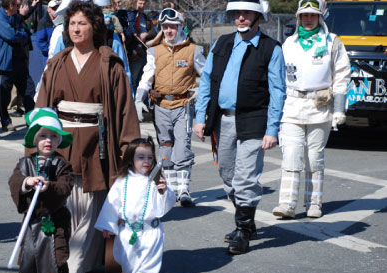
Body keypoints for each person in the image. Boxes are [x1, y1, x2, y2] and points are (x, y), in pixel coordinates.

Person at [36, 0, 140, 273]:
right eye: (72, 23)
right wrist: (37, 147)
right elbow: (44, 108)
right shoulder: (57, 63)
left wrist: (130, 150)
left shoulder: (110, 64)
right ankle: (70, 260)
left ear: (95, 27)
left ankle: (74, 266)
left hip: (97, 142)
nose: (76, 29)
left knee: (92, 205)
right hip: (64, 142)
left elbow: (123, 110)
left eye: (82, 23)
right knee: (65, 204)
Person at [193, 0, 286, 255]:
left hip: (255, 119)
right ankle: (248, 220)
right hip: (223, 119)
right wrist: (200, 116)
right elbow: (206, 81)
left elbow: (278, 92)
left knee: (246, 176)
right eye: (237, 14)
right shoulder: (221, 44)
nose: (241, 18)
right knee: (227, 173)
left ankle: (243, 230)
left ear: (258, 17)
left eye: (246, 14)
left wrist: (272, 129)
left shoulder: (271, 49)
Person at [272, 0, 350, 219]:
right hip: (292, 106)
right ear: (298, 17)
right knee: (291, 155)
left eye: (313, 15)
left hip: (320, 107)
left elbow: (342, 75)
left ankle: (313, 203)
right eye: (304, 15)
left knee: (314, 158)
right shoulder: (289, 43)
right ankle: (287, 204)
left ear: (320, 16)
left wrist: (339, 109)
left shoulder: (333, 43)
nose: (308, 19)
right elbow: (278, 77)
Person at [8, 107, 74, 273]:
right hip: (32, 223)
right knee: (33, 263)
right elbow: (14, 182)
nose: (48, 141)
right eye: (43, 136)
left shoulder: (62, 165)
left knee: (58, 260)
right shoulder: (25, 164)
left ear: (59, 140)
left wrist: (50, 187)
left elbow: (65, 187)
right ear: (34, 139)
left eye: (54, 136)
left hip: (56, 221)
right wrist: (26, 182)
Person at [95, 137, 175, 273]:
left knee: (147, 266)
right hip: (127, 231)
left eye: (149, 157)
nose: (146, 161)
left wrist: (163, 191)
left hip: (151, 232)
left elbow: (166, 205)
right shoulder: (122, 181)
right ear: (131, 160)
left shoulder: (156, 181)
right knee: (129, 266)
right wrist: (107, 225)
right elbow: (111, 204)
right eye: (141, 157)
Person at [135, 8, 205, 207]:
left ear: (180, 27)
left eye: (172, 27)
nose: (168, 30)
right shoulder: (154, 51)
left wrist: (201, 91)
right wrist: (139, 98)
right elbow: (146, 77)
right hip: (161, 105)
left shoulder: (193, 50)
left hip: (183, 105)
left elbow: (207, 74)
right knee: (165, 148)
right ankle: (172, 191)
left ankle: (184, 190)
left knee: (182, 147)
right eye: (165, 27)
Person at [0, 0, 33, 132]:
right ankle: (6, 122)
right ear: (11, 6)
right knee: (4, 95)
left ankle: (31, 120)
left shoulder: (14, 17)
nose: (19, 7)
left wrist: (21, 33)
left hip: (19, 60)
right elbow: (12, 35)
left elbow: (25, 33)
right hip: (5, 62)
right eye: (17, 5)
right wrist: (21, 34)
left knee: (29, 90)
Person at [126, 0, 147, 91]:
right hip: (133, 50)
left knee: (142, 80)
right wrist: (135, 33)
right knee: (133, 80)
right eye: (140, 4)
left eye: (144, 4)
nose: (142, 6)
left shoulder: (145, 17)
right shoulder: (130, 15)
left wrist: (146, 34)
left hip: (144, 49)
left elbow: (153, 31)